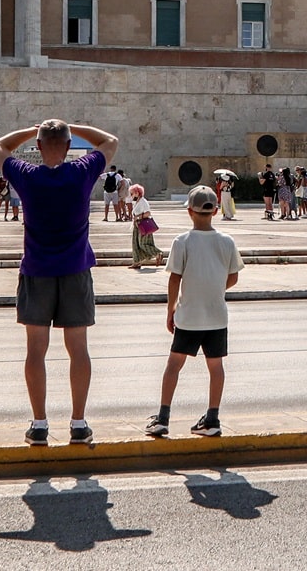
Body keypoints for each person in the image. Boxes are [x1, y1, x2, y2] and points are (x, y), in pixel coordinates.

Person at [0, 118, 117, 446]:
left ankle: (40, 423)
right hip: (75, 270)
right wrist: (75, 127)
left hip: (36, 271)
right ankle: (78, 422)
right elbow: (110, 141)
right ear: (69, 145)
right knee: (78, 350)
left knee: (36, 351)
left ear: (39, 146)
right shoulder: (81, 172)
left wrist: (30, 132)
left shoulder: (28, 176)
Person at [147, 185, 243, 438]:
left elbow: (174, 279)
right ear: (215, 211)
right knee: (216, 367)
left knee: (173, 365)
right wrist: (213, 287)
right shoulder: (227, 241)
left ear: (190, 212)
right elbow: (233, 277)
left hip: (189, 315)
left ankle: (163, 418)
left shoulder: (182, 242)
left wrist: (171, 309)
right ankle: (212, 419)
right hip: (216, 314)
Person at [129, 183, 164, 267]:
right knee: (135, 243)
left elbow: (148, 213)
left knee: (143, 244)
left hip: (143, 224)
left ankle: (158, 253)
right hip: (137, 225)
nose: (131, 195)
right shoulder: (138, 202)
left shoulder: (143, 202)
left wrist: (138, 217)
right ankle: (136, 262)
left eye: (132, 193)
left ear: (137, 193)